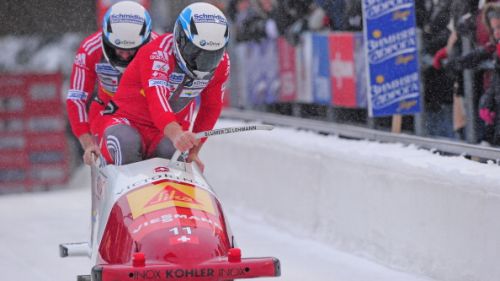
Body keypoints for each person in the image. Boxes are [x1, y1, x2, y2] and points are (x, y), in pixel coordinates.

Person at [95, 2, 230, 171]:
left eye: (211, 56)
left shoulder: (222, 63)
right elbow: (156, 99)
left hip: (165, 132)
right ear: (181, 39)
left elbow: (211, 107)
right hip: (127, 121)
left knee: (172, 153)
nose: (202, 62)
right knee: (126, 143)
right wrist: (176, 134)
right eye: (196, 53)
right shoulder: (157, 53)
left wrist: (194, 151)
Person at [66, 1, 157, 165]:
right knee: (124, 143)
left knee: (167, 150)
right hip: (109, 112)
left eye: (132, 50)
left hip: (148, 113)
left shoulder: (159, 48)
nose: (124, 56)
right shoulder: (90, 48)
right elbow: (76, 98)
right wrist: (88, 144)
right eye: (119, 49)